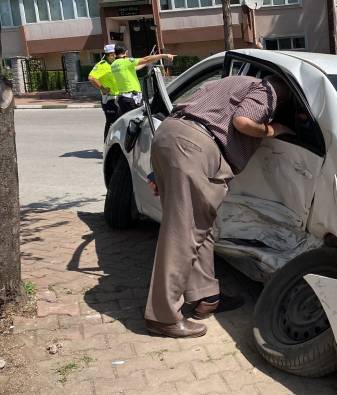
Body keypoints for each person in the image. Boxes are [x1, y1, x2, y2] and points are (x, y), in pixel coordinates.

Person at [144, 74, 293, 338]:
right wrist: (275, 130)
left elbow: (186, 113)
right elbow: (243, 122)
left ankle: (207, 297)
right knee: (183, 234)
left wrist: (160, 171)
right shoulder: (271, 89)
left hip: (169, 135)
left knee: (201, 228)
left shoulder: (227, 81)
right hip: (196, 147)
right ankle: (162, 316)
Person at [111, 45, 176, 114]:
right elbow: (145, 59)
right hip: (132, 98)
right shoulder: (126, 61)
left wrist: (147, 62)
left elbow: (136, 67)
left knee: (129, 120)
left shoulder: (114, 65)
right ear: (126, 52)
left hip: (123, 98)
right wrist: (164, 55)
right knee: (138, 119)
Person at [88, 44, 120, 141]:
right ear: (107, 55)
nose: (114, 56)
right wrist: (102, 88)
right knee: (111, 122)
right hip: (109, 99)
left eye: (115, 54)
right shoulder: (101, 65)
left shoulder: (116, 63)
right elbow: (91, 78)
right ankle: (106, 146)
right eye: (112, 55)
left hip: (119, 97)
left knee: (121, 122)